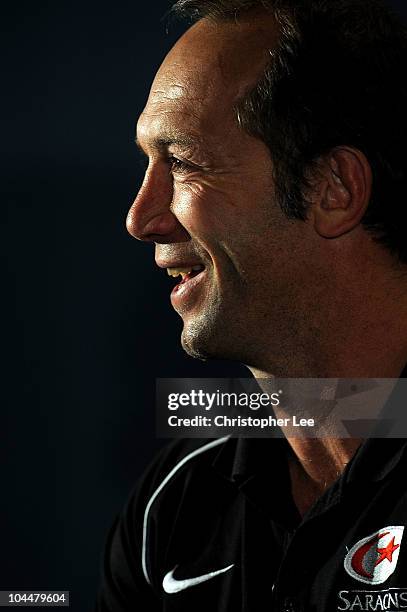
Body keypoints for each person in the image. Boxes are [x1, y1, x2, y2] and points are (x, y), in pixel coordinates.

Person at [96, 0, 407, 610]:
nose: (140, 219)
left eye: (182, 163)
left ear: (334, 189)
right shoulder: (173, 504)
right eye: (145, 163)